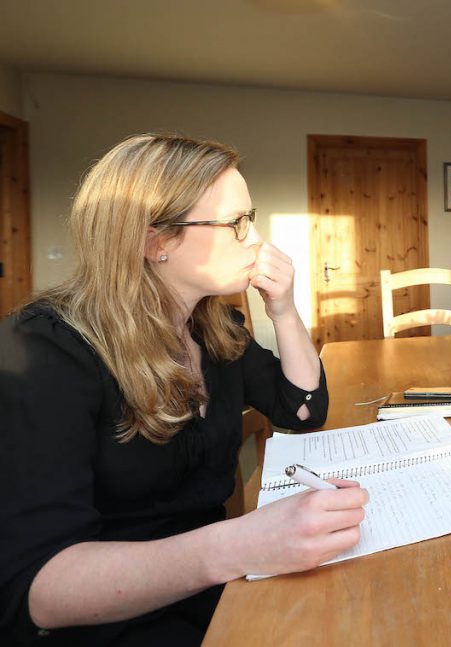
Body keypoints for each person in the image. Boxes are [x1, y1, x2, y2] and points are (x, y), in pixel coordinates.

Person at [0, 134, 369, 645]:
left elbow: (303, 410)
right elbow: (37, 589)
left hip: (219, 592)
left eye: (251, 217)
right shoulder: (43, 351)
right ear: (155, 242)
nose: (256, 240)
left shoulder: (215, 330)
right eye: (236, 223)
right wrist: (240, 545)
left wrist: (282, 309)